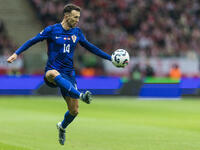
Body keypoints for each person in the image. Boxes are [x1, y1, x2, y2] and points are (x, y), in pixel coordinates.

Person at [7, 4, 115, 145]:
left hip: (69, 74)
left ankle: (62, 126)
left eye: (79, 18)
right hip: (51, 72)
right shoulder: (52, 30)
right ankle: (81, 95)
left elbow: (92, 48)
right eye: (75, 17)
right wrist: (16, 53)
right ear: (66, 16)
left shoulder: (77, 33)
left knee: (74, 111)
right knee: (52, 73)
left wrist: (110, 58)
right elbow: (32, 41)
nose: (78, 20)